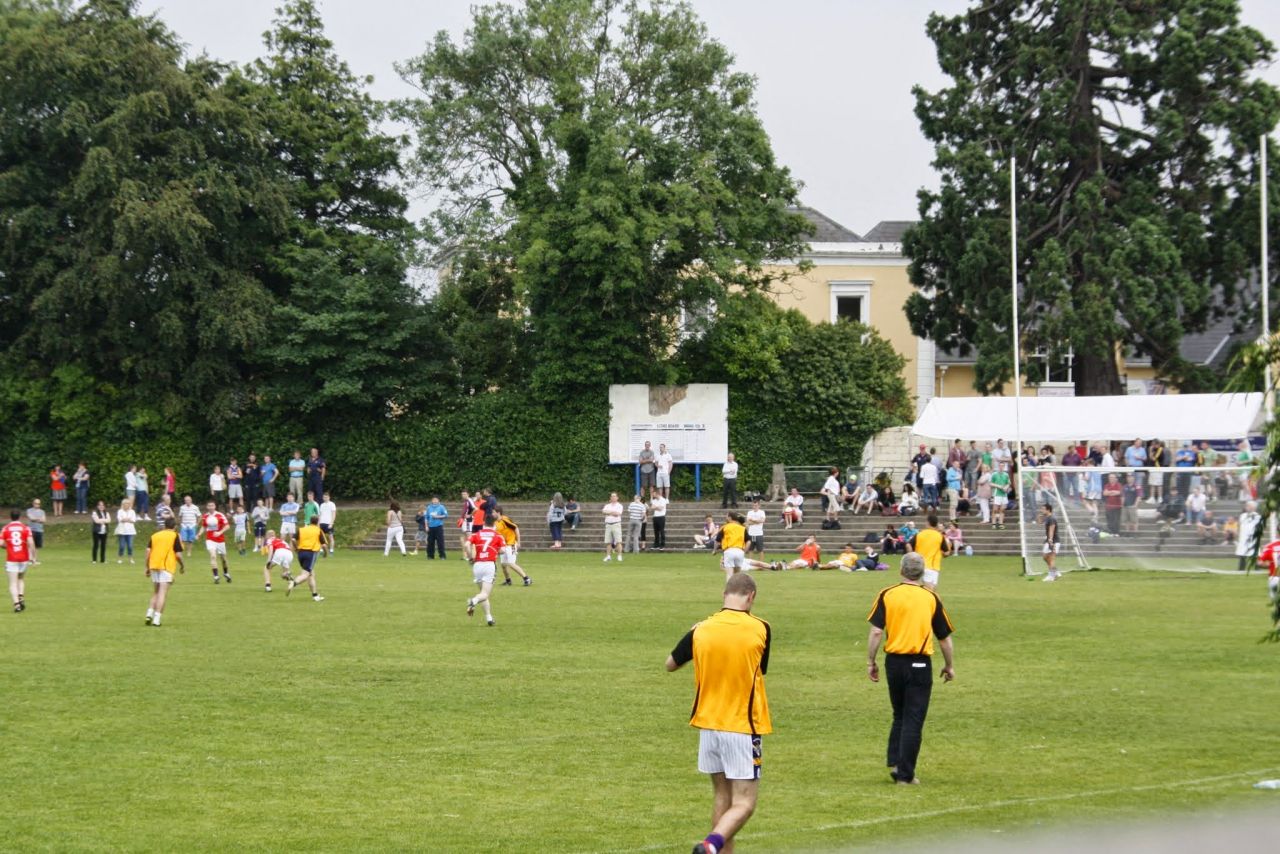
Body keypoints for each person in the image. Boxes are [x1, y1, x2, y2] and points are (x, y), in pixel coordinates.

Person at [665, 573, 771, 854]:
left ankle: (715, 848)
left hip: (708, 723)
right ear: (751, 597)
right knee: (745, 803)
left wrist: (693, 635)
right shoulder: (761, 628)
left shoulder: (701, 629)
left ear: (724, 595)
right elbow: (760, 668)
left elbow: (670, 664)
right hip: (741, 723)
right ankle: (710, 846)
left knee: (722, 797)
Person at [143, 518, 185, 627]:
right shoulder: (175, 535)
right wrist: (182, 566)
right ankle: (156, 619)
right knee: (162, 593)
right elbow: (178, 555)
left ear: (165, 525)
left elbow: (148, 552)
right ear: (174, 526)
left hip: (154, 566)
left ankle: (149, 614)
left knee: (156, 592)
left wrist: (147, 567)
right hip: (166, 567)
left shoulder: (155, 536)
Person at [464, 518, 503, 626]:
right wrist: (495, 550)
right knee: (484, 594)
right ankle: (473, 601)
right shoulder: (497, 535)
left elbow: (467, 545)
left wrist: (470, 557)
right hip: (489, 565)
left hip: (477, 565)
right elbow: (503, 550)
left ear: (484, 524)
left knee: (483, 593)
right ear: (494, 524)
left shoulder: (476, 534)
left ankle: (489, 618)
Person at [4, 510, 37, 612]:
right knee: (21, 578)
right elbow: (31, 543)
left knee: (12, 583)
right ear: (19, 517)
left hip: (12, 558)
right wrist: (34, 558)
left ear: (11, 517)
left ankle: (16, 604)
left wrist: (8, 546)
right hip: (23, 558)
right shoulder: (25, 528)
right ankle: (21, 596)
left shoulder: (6, 528)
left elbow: (1, 543)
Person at [287, 517, 325, 601]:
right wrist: (325, 554)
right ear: (317, 522)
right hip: (310, 553)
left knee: (311, 574)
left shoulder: (301, 529)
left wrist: (296, 548)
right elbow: (324, 545)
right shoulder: (318, 530)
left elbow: (293, 539)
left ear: (310, 521)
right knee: (306, 574)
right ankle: (293, 583)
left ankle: (315, 595)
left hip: (301, 553)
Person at [493, 507, 532, 586]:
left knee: (511, 563)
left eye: (493, 512)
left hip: (511, 544)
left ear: (498, 513)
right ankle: (508, 581)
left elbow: (516, 528)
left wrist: (518, 541)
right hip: (504, 546)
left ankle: (527, 578)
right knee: (503, 565)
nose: (492, 514)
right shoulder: (496, 522)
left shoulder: (505, 520)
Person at [198, 500, 232, 584]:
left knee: (223, 559)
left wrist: (220, 532)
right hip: (210, 539)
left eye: (212, 505)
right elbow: (204, 527)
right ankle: (216, 576)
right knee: (213, 556)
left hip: (220, 540)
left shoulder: (220, 515)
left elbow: (227, 526)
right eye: (209, 506)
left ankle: (226, 573)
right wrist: (199, 534)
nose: (210, 507)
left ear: (215, 506)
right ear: (207, 507)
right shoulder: (205, 516)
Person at [1236, 501, 1263, 572]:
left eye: (1248, 505)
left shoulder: (1258, 516)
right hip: (1243, 538)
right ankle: (1241, 569)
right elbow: (1240, 524)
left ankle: (1257, 569)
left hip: (1252, 538)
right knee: (1242, 554)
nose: (1246, 507)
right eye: (1246, 506)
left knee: (1255, 554)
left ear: (1253, 507)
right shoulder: (1242, 515)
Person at [1039, 502, 1061, 582]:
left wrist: (1051, 540)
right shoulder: (1047, 517)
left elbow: (1052, 529)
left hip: (1053, 541)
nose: (1042, 510)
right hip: (1048, 541)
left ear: (1048, 510)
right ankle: (1055, 571)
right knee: (1045, 557)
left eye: (1043, 509)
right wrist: (1039, 517)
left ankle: (1052, 576)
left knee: (1051, 558)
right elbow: (1040, 522)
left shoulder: (1052, 518)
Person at [602, 492, 624, 562]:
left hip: (616, 524)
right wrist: (612, 512)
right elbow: (603, 511)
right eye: (612, 496)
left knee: (618, 541)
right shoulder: (607, 505)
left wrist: (609, 512)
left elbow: (618, 514)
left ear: (617, 498)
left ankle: (619, 556)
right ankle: (608, 556)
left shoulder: (619, 506)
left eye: (614, 496)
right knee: (608, 542)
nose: (613, 498)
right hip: (608, 524)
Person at [115, 498, 138, 564]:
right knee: (122, 546)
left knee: (130, 546)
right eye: (125, 504)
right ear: (123, 504)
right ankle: (120, 558)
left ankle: (131, 558)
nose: (127, 505)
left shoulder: (132, 511)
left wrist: (126, 519)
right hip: (122, 531)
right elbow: (120, 519)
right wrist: (127, 519)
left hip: (130, 531)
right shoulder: (120, 511)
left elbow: (133, 520)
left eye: (128, 504)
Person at [989, 464, 1010, 529]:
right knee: (995, 510)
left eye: (1002, 466)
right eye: (1000, 466)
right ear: (998, 467)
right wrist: (998, 486)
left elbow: (1008, 483)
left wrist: (1006, 487)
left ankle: (1001, 523)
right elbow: (990, 483)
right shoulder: (994, 474)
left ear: (1004, 467)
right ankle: (994, 523)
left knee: (1002, 510)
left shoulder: (1006, 474)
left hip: (1004, 494)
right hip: (996, 494)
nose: (1001, 467)